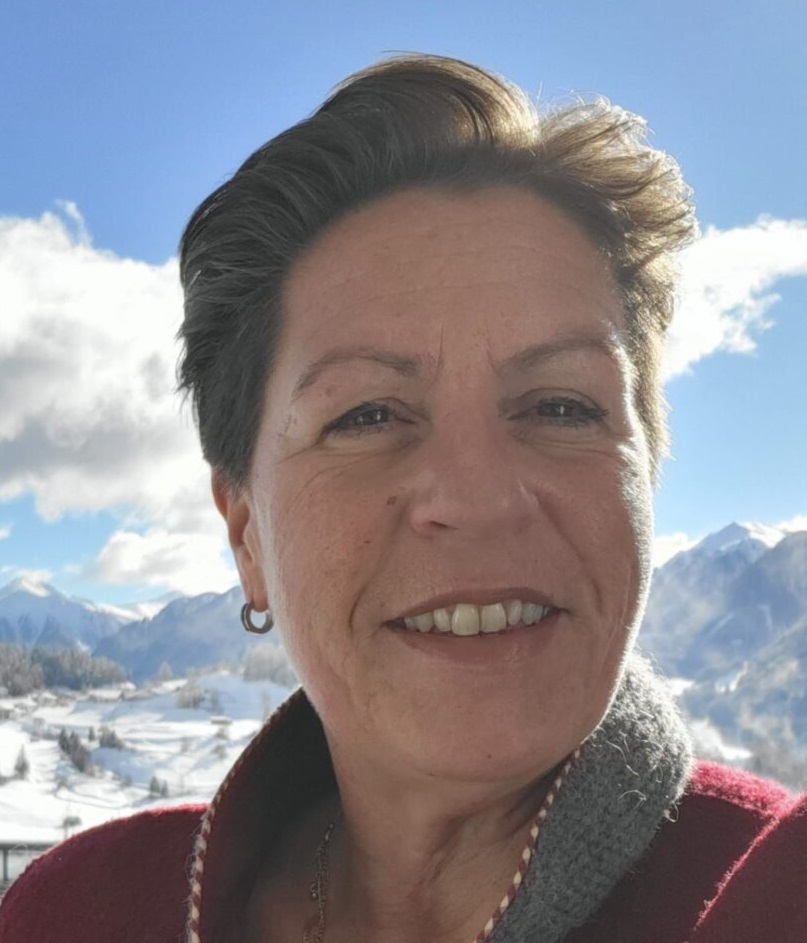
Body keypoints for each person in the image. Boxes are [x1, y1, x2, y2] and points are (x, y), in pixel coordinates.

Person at [1, 54, 805, 943]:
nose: (479, 496)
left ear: (645, 477)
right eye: (367, 414)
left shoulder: (769, 895)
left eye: (560, 406)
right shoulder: (79, 910)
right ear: (246, 535)